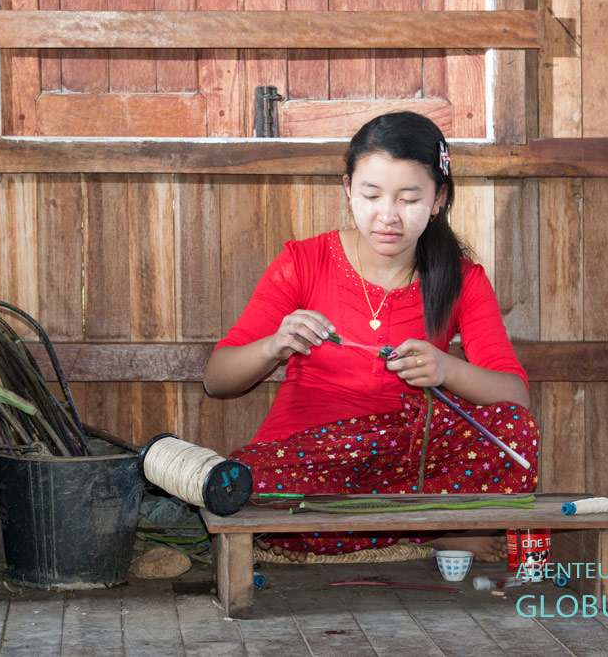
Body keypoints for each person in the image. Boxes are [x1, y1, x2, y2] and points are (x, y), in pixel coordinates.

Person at [203, 111, 538, 562]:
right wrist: (275, 344)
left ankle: (393, 528)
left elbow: (514, 399)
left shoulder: (462, 280)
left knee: (516, 436)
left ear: (438, 199)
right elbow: (217, 380)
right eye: (371, 194)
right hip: (312, 459)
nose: (388, 216)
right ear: (348, 190)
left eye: (409, 198)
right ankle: (421, 532)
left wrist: (446, 369)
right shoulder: (304, 261)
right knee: (247, 486)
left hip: (407, 459)